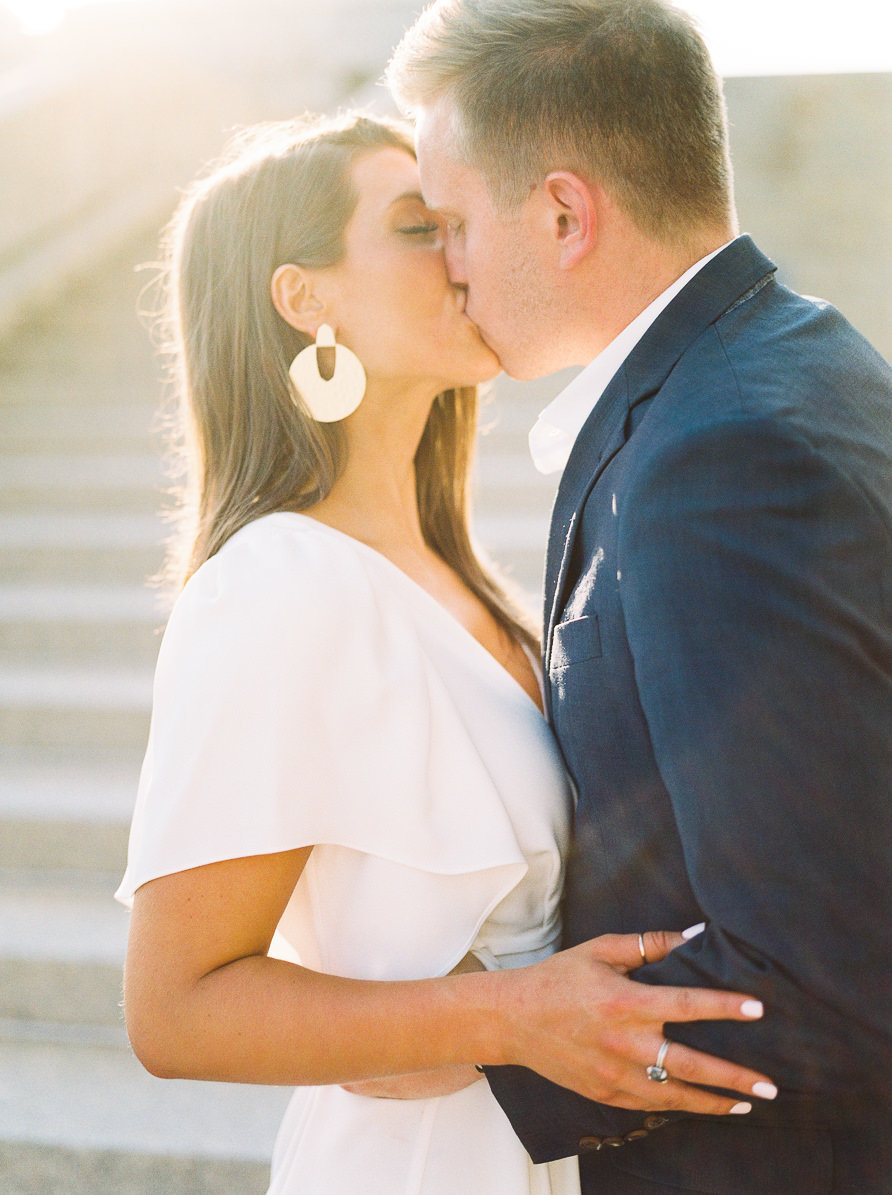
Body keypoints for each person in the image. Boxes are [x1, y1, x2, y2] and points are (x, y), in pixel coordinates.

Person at [116, 111, 777, 1194]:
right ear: (307, 298)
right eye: (421, 227)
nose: (465, 254)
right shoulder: (276, 582)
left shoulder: (461, 573)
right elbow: (174, 1008)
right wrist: (504, 1016)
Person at [387, 1, 892, 1191]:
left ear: (564, 213)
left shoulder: (717, 459)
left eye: (452, 222)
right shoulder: (786, 359)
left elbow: (824, 965)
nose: (445, 265)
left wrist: (488, 1036)